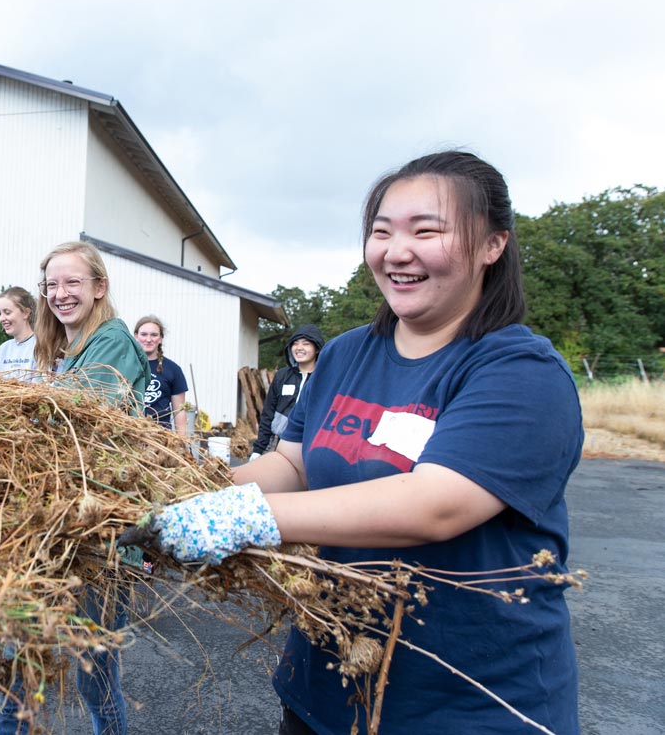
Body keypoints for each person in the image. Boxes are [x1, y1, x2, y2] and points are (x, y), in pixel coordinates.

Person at [131, 152, 584, 734]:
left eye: (427, 230)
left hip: (468, 705)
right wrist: (168, 488)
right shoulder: (346, 353)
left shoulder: (520, 371)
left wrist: (240, 516)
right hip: (326, 683)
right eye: (381, 232)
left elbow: (434, 505)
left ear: (493, 244)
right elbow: (291, 464)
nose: (397, 251)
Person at [0, 240, 148, 735]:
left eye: (72, 282)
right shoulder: (65, 350)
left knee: (93, 674)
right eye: (51, 284)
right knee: (24, 667)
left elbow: (74, 423)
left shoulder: (114, 341)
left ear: (99, 287)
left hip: (97, 539)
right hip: (52, 530)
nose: (60, 294)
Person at [249, 324, 325, 460]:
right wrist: (258, 449)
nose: (299, 348)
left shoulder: (324, 378)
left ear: (317, 348)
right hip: (282, 444)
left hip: (311, 446)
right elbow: (268, 413)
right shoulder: (282, 376)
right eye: (295, 344)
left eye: (306, 344)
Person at [133, 315, 189, 434]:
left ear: (161, 338)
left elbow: (179, 411)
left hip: (160, 437)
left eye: (154, 335)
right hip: (130, 434)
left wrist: (182, 442)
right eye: (144, 334)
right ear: (136, 336)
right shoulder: (126, 366)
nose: (148, 339)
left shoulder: (173, 370)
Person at [0, 286, 37, 380]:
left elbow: (42, 386)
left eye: (7, 312)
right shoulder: (3, 350)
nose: (2, 319)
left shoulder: (40, 346)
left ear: (26, 313)